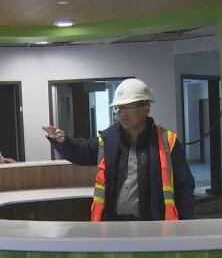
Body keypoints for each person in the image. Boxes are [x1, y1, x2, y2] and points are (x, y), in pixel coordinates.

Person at [42, 78, 195, 221]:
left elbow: (184, 186)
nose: (122, 112)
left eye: (128, 106)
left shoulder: (166, 142)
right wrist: (62, 142)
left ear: (146, 108)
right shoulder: (109, 139)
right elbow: (81, 152)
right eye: (118, 108)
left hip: (153, 223)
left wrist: (186, 225)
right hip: (114, 223)